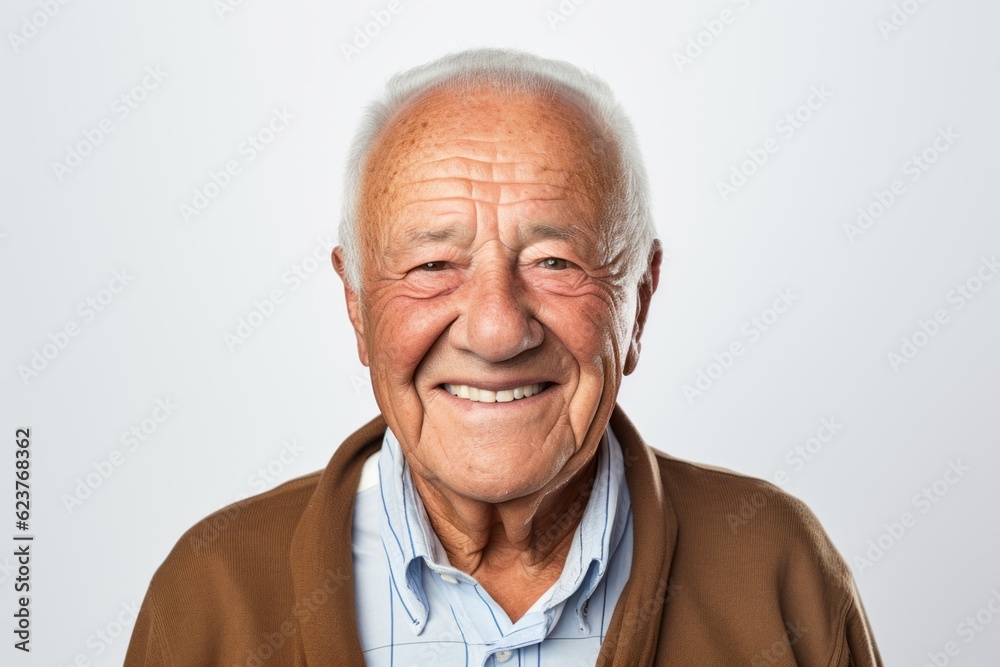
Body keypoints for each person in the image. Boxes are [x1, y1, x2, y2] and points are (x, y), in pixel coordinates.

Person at [124, 48, 882, 666]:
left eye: (555, 261)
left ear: (638, 302)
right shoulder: (213, 597)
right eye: (431, 266)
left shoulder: (777, 569)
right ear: (356, 304)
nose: (494, 329)